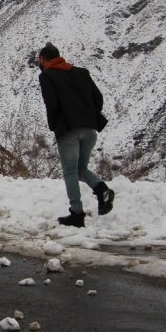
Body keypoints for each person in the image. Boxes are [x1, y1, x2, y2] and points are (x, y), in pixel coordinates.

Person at [38, 42, 115, 227]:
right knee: (81, 169)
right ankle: (102, 190)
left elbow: (52, 104)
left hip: (68, 130)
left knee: (71, 171)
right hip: (90, 128)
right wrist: (88, 115)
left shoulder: (47, 76)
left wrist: (55, 126)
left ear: (43, 59)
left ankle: (77, 214)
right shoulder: (82, 72)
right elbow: (98, 99)